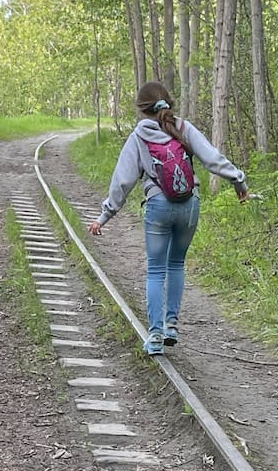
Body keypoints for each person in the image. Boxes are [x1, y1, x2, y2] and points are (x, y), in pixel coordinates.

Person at [89, 81, 249, 356]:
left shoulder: (139, 136)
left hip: (158, 205)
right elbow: (212, 158)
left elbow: (123, 181)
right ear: (168, 104)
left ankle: (155, 335)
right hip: (190, 205)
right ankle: (171, 324)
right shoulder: (183, 127)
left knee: (155, 269)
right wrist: (239, 181)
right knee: (177, 263)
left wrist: (105, 216)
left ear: (142, 110)